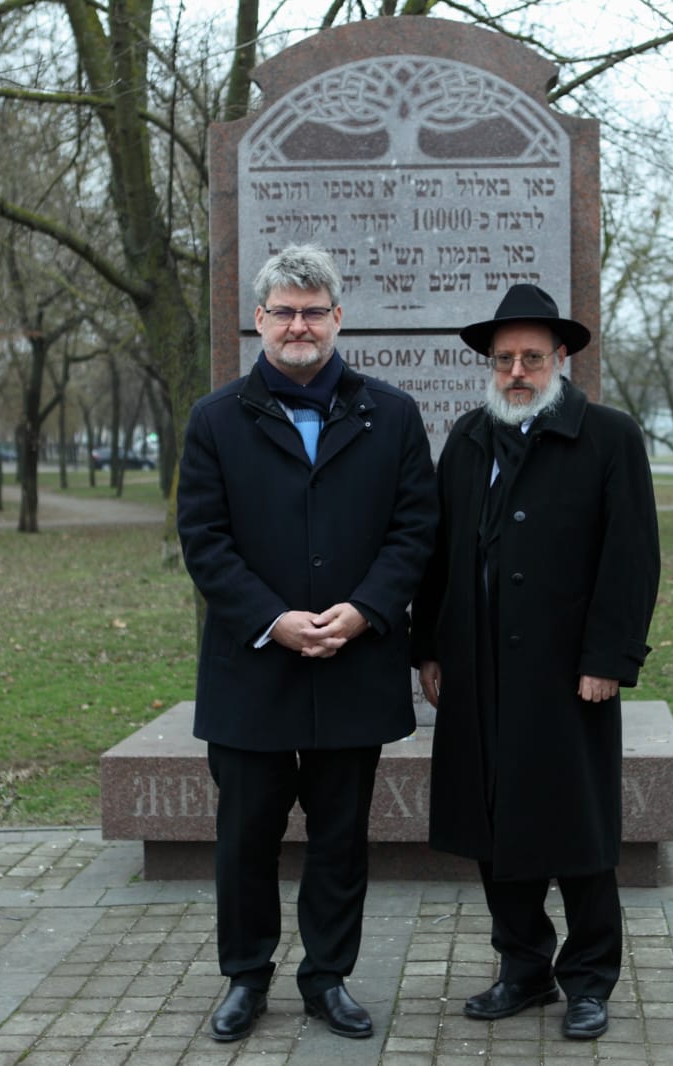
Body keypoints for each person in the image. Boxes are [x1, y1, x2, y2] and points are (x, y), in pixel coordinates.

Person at [177, 244, 437, 1042]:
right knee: (245, 839)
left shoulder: (390, 414)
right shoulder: (216, 419)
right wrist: (274, 620)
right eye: (284, 311)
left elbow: (414, 529)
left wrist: (363, 611)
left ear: (337, 318)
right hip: (253, 667)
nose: (299, 325)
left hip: (355, 664)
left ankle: (328, 977)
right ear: (259, 322)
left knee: (340, 839)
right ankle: (244, 978)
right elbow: (205, 538)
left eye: (313, 310)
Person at [412, 283, 661, 1041]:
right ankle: (522, 966)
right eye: (503, 359)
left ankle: (588, 979)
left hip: (567, 674)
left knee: (576, 831)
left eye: (530, 357)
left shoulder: (609, 438)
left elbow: (632, 558)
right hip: (477, 670)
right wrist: (428, 644)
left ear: (562, 360)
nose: (516, 371)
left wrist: (608, 657)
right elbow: (437, 552)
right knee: (493, 825)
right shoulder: (468, 437)